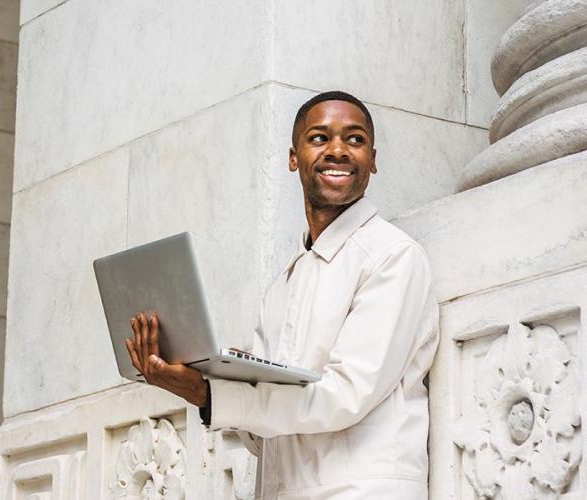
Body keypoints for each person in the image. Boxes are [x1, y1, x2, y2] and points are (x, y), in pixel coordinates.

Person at [125, 91, 440, 499]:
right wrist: (209, 380)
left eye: (355, 139)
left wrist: (213, 394)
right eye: (320, 138)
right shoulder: (282, 288)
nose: (338, 151)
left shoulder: (392, 257)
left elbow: (344, 396)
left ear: (373, 160)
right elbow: (265, 437)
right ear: (294, 157)